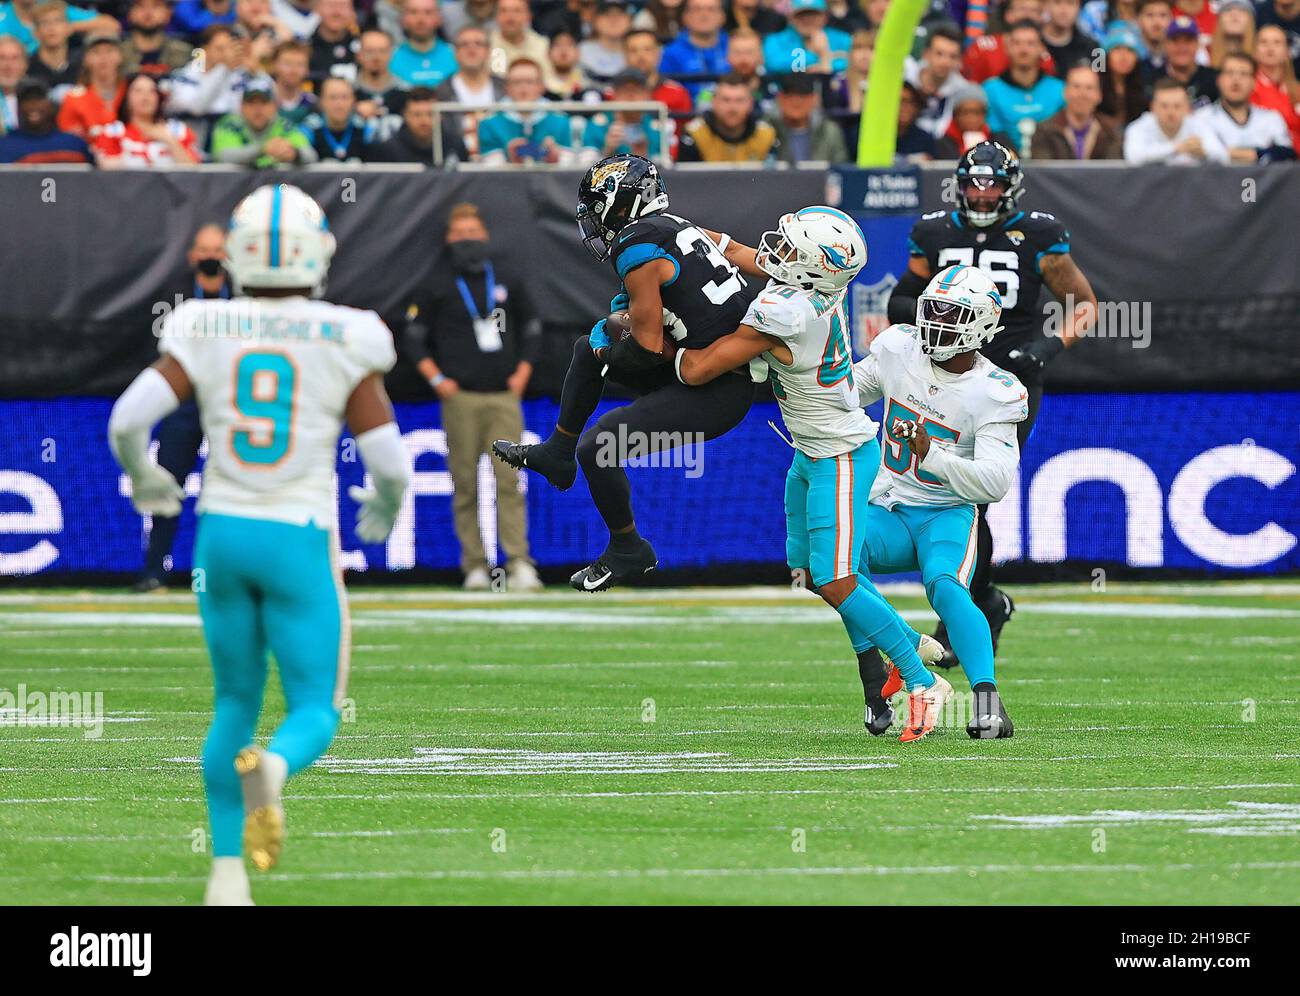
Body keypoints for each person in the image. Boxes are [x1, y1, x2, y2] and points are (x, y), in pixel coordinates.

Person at [107, 183, 412, 906]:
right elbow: (392, 465)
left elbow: (125, 420)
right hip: (297, 536)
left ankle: (225, 878)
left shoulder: (204, 324)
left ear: (241, 254)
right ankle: (272, 770)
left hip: (221, 535)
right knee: (315, 706)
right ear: (321, 255)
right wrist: (388, 502)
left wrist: (145, 476)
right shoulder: (349, 332)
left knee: (231, 703)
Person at [673, 207, 952, 743]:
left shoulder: (788, 312)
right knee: (806, 568)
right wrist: (678, 231)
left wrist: (659, 333)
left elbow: (697, 368)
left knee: (835, 577)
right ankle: (904, 638)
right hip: (811, 451)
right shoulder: (813, 288)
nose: (778, 249)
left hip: (841, 455)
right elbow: (740, 253)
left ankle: (922, 683)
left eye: (793, 247)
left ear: (813, 267)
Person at [493, 154, 756, 592]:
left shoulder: (636, 244)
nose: (595, 219)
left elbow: (646, 347)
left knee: (599, 445)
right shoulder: (674, 225)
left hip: (715, 388)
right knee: (588, 347)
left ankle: (628, 547)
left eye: (600, 206)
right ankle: (557, 450)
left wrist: (605, 344)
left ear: (624, 202)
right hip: (708, 370)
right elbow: (716, 263)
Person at [887, 141, 1098, 663]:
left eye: (992, 184)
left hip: (1002, 381)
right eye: (974, 184)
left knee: (972, 494)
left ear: (1011, 188)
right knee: (943, 490)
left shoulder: (1041, 234)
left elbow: (1085, 305)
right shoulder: (934, 230)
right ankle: (979, 603)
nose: (982, 195)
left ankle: (967, 607)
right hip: (945, 376)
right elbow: (901, 297)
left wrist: (1045, 350)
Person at [854, 265, 1026, 739]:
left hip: (944, 512)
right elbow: (848, 392)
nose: (935, 323)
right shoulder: (898, 348)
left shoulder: (994, 392)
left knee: (945, 587)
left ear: (980, 326)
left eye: (951, 315)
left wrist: (932, 455)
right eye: (933, 310)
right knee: (837, 565)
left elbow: (993, 483)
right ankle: (877, 674)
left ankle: (988, 702)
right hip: (887, 502)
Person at [402, 203, 543, 592]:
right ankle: (475, 565)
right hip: (460, 397)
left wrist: (523, 373)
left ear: (485, 235)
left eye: (472, 232)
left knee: (509, 482)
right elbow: (413, 337)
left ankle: (518, 562)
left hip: (503, 396)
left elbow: (532, 327)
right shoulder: (437, 283)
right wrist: (438, 380)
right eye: (459, 234)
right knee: (464, 484)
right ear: (448, 240)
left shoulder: (507, 279)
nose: (467, 240)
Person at [130, 223, 228, 594]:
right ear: (191, 256)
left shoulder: (245, 299)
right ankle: (155, 570)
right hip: (184, 404)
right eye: (204, 251)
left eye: (218, 251)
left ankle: (226, 576)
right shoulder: (174, 297)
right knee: (168, 484)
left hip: (228, 404)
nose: (211, 259)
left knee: (234, 488)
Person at [1192, 50, 1294, 160]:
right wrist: (1261, 154)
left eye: (1244, 74)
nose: (1236, 80)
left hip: (1262, 177)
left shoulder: (1271, 118)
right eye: (1229, 73)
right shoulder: (1201, 118)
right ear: (1218, 80)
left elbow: (1288, 155)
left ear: (1254, 82)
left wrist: (1254, 154)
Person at [981, 19, 1066, 152]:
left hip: (1051, 165)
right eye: (1017, 43)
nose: (1023, 49)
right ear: (1006, 47)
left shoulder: (1060, 90)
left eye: (1030, 43)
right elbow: (991, 133)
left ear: (1041, 48)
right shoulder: (990, 90)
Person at [91, 71, 202, 167]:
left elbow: (194, 171)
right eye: (138, 91)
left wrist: (170, 141)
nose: (145, 96)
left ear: (159, 98)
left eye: (152, 91)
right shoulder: (112, 132)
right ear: (126, 97)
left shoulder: (178, 131)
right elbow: (105, 168)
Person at [476, 57, 575, 164]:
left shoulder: (560, 121)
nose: (523, 89)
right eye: (517, 82)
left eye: (529, 82)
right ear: (507, 87)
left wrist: (555, 160)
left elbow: (569, 168)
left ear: (541, 86)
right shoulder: (490, 122)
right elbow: (488, 173)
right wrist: (510, 161)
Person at [211, 76, 318, 166]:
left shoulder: (283, 126)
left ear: (274, 106)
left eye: (264, 102)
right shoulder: (230, 124)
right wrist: (262, 149)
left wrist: (295, 153)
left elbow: (311, 155)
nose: (258, 109)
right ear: (242, 107)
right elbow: (223, 155)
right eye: (252, 103)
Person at [1123, 74, 1229, 161]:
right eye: (1164, 106)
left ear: (1187, 108)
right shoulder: (1139, 126)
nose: (1171, 112)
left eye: (1177, 106)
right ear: (1153, 107)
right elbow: (1133, 156)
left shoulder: (1198, 125)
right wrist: (1176, 148)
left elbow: (1222, 156)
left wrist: (1203, 151)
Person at [676, 70, 777, 160]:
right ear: (714, 102)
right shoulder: (695, 134)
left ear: (750, 103)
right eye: (726, 100)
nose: (732, 108)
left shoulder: (766, 135)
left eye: (739, 100)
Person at [1029, 64, 1123, 158]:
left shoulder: (1112, 131)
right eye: (1076, 87)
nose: (1082, 94)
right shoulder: (1044, 131)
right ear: (1065, 92)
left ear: (1099, 95)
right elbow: (1043, 171)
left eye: (1089, 88)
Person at [364, 84, 467, 163]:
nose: (424, 121)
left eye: (430, 114)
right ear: (405, 115)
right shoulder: (389, 150)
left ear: (440, 115)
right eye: (417, 115)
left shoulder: (454, 145)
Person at [0, 76, 92, 161]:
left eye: (39, 98)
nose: (33, 104)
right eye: (27, 99)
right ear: (18, 107)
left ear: (51, 105)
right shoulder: (5, 146)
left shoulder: (74, 144)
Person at [581, 67, 664, 159]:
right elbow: (584, 167)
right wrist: (607, 152)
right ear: (615, 94)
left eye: (636, 90)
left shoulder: (656, 128)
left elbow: (668, 169)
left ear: (647, 95)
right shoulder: (597, 124)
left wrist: (645, 157)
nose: (630, 95)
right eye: (625, 90)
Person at [905, 23, 970, 139]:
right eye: (939, 54)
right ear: (926, 54)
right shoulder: (906, 78)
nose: (945, 62)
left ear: (959, 60)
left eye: (952, 56)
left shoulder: (963, 90)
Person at [766, 70, 846, 163]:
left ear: (814, 99)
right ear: (780, 98)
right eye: (790, 95)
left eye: (802, 96)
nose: (796, 102)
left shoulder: (830, 131)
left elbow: (840, 170)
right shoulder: (766, 130)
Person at [56, 32, 125, 138]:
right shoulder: (73, 99)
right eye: (96, 52)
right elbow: (68, 139)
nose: (104, 57)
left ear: (120, 56)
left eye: (109, 51)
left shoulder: (133, 91)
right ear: (85, 59)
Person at [658, 0, 729, 100]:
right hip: (685, 113)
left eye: (711, 9)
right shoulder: (670, 53)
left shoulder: (735, 47)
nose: (704, 15)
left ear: (723, 16)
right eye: (697, 9)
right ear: (685, 17)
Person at [762, 0, 851, 75]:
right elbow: (774, 64)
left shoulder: (842, 38)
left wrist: (824, 61)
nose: (807, 19)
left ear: (825, 17)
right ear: (791, 18)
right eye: (801, 15)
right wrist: (821, 56)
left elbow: (854, 63)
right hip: (791, 92)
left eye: (813, 14)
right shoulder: (775, 40)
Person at [1150, 14, 1220, 107]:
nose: (1182, 47)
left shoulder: (1214, 79)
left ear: (1197, 44)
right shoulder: (1151, 79)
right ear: (1165, 44)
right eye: (1175, 41)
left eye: (1188, 41)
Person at [301, 75, 374, 161]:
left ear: (354, 101)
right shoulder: (309, 129)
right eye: (333, 97)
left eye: (345, 97)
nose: (339, 104)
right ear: (321, 101)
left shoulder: (365, 128)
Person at [933, 84, 1018, 157]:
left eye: (977, 112)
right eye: (965, 112)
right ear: (956, 115)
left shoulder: (1000, 141)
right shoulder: (943, 144)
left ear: (985, 114)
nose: (971, 118)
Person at [1252, 23, 1300, 148]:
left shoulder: (1297, 90)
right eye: (1263, 42)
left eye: (1277, 42)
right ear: (1254, 51)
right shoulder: (1248, 87)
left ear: (1287, 52)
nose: (1270, 48)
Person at [390, 0, 457, 87]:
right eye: (413, 12)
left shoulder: (456, 55)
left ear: (439, 18)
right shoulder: (389, 57)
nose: (421, 19)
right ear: (403, 19)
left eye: (428, 12)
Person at [121, 0, 194, 76]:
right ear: (129, 13)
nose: (148, 12)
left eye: (156, 6)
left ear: (168, 14)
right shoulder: (116, 54)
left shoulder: (186, 54)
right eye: (140, 6)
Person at [1097, 21, 1149, 125]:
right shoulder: (1096, 86)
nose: (1124, 57)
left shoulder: (1144, 90)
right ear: (1106, 56)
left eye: (1130, 50)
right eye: (1117, 49)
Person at [490, 0, 552, 75]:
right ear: (496, 16)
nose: (510, 17)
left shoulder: (543, 46)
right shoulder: (485, 45)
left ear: (528, 16)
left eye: (517, 11)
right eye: (504, 11)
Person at [1040, 0, 1099, 75]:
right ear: (1046, 6)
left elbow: (1101, 81)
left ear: (1079, 7)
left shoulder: (1095, 48)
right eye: (1057, 2)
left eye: (1070, 3)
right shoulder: (1031, 42)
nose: (1064, 10)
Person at [579, 0, 631, 81]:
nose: (613, 19)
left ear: (629, 20)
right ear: (595, 20)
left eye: (620, 14)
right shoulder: (580, 52)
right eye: (607, 14)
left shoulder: (637, 53)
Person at [309, 0, 361, 77]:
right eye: (331, 5)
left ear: (352, 11)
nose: (337, 12)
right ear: (317, 8)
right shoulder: (304, 44)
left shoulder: (362, 47)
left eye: (343, 6)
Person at [0, 35, 28, 131]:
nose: (8, 66)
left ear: (25, 65)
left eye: (15, 58)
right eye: (2, 58)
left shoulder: (38, 98)